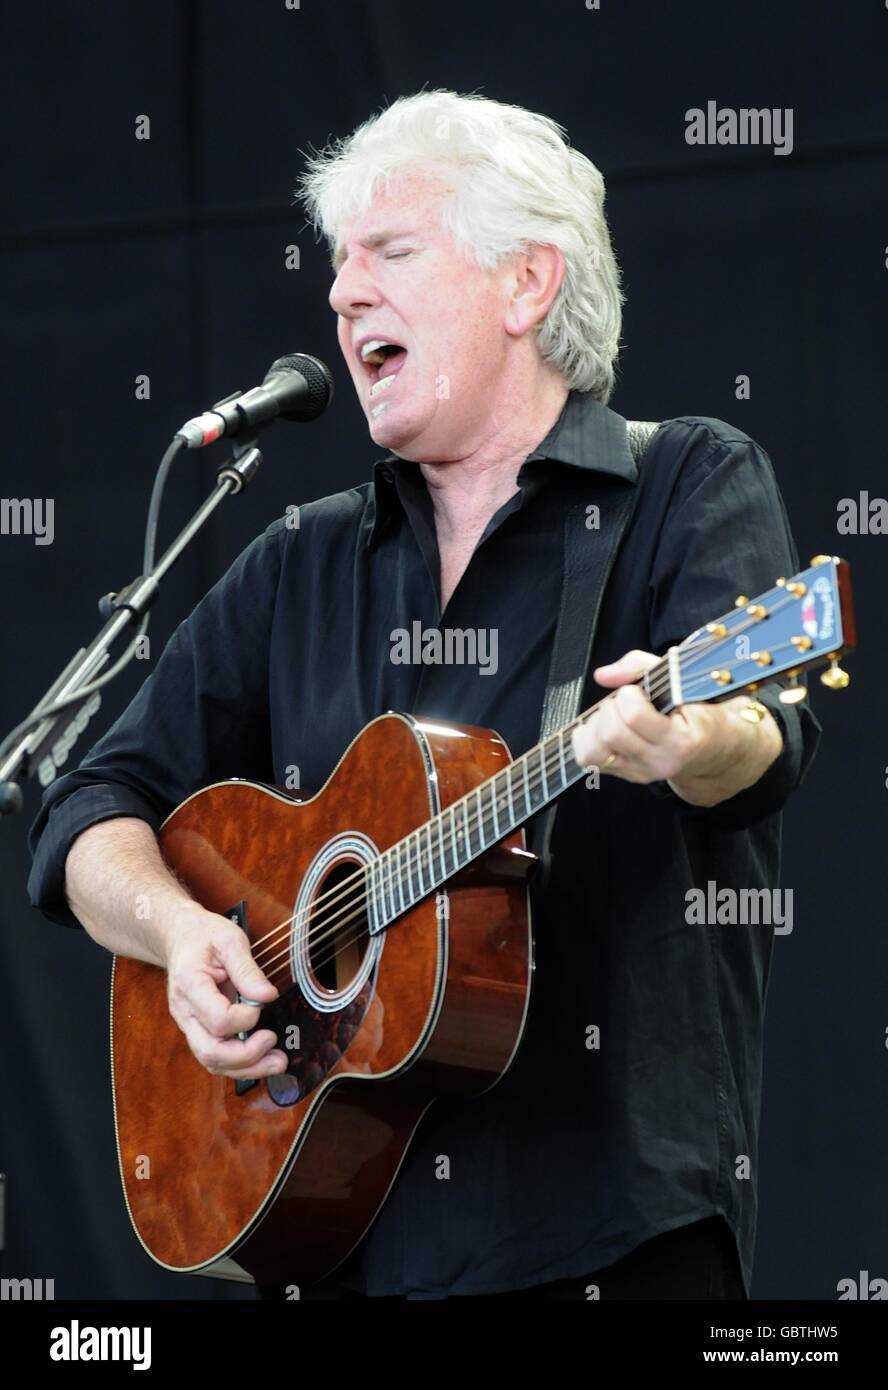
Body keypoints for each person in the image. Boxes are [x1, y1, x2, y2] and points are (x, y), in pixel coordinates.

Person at [28, 90, 820, 1301]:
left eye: (390, 255)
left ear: (526, 284)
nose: (343, 297)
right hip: (344, 1245)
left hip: (611, 1241)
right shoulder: (300, 558)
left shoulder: (689, 483)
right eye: (339, 268)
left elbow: (763, 744)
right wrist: (182, 935)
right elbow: (88, 806)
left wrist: (688, 731)